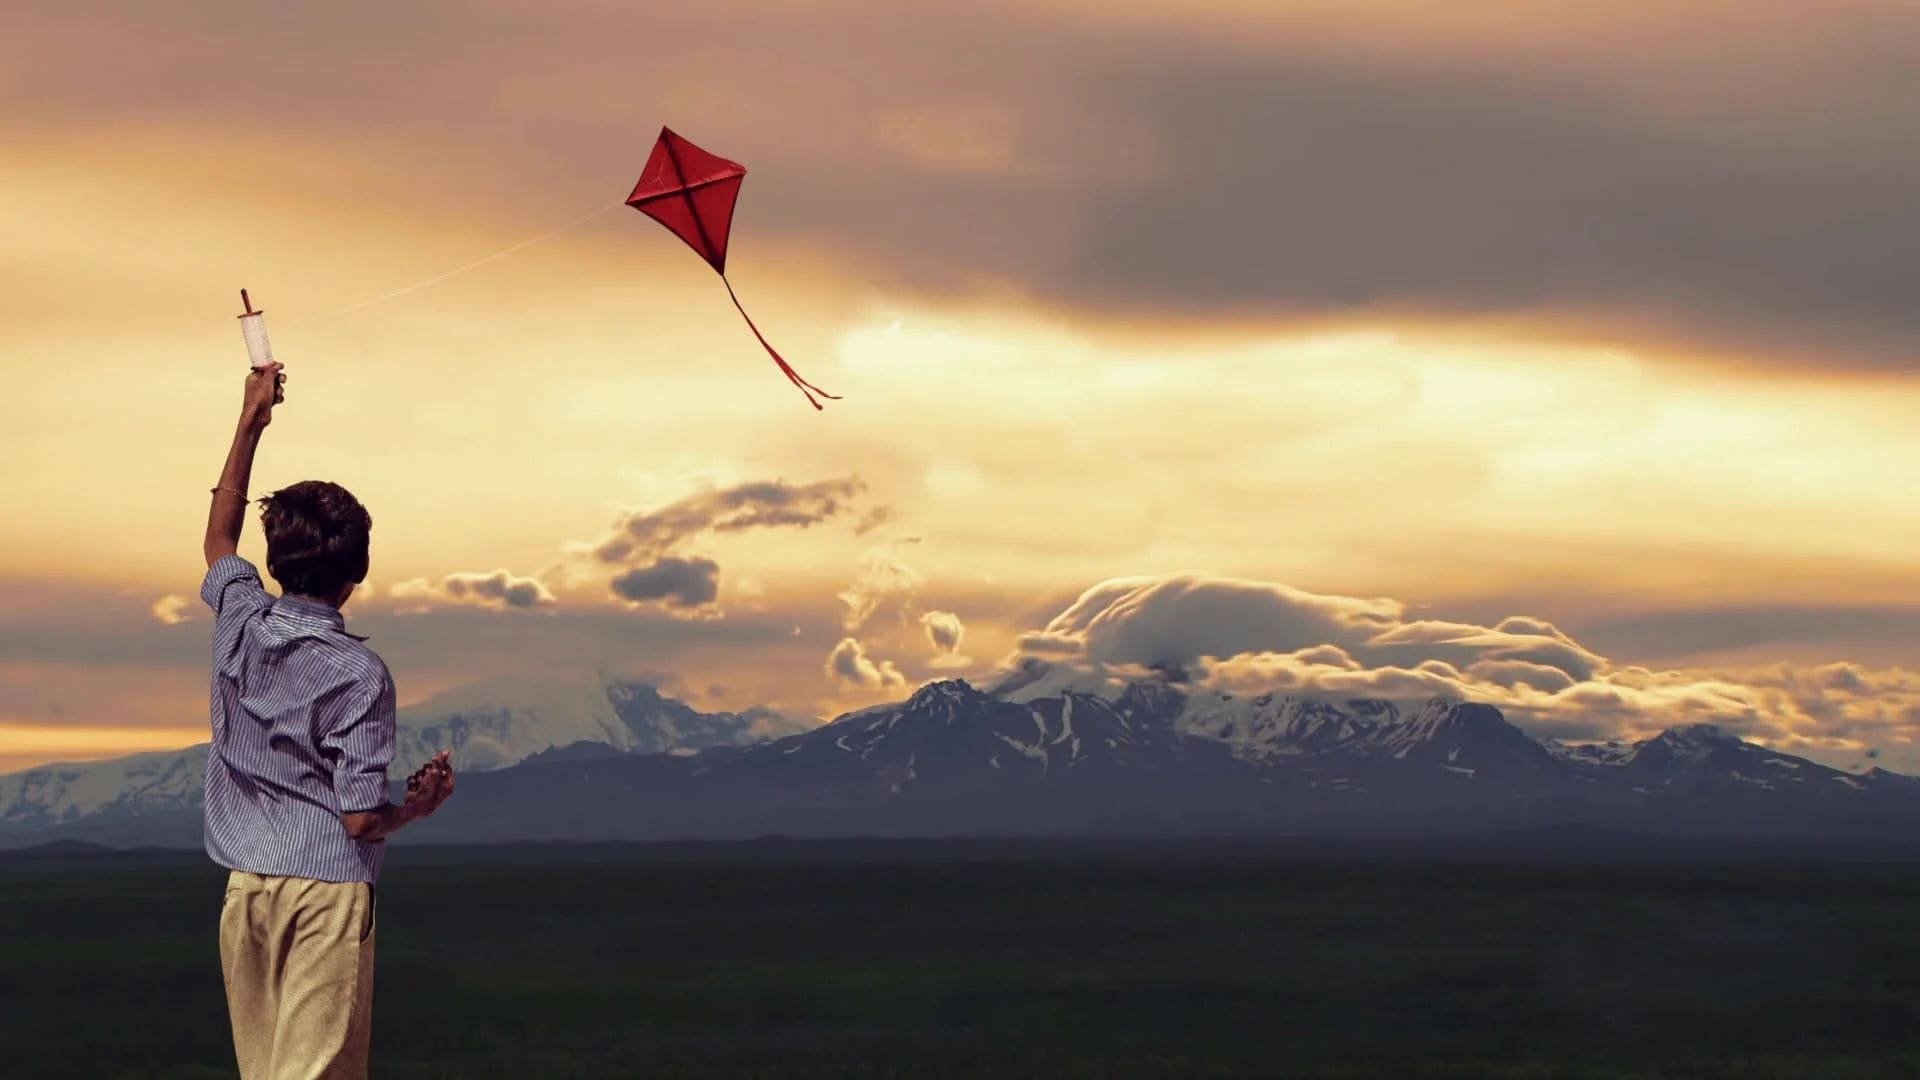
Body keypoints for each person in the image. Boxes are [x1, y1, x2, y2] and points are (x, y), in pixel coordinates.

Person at [201, 360, 456, 1078]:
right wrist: (416, 808)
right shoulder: (359, 674)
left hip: (246, 889)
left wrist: (251, 419)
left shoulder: (239, 618)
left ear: (277, 558)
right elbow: (360, 821)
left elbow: (219, 539)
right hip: (325, 893)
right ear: (358, 572)